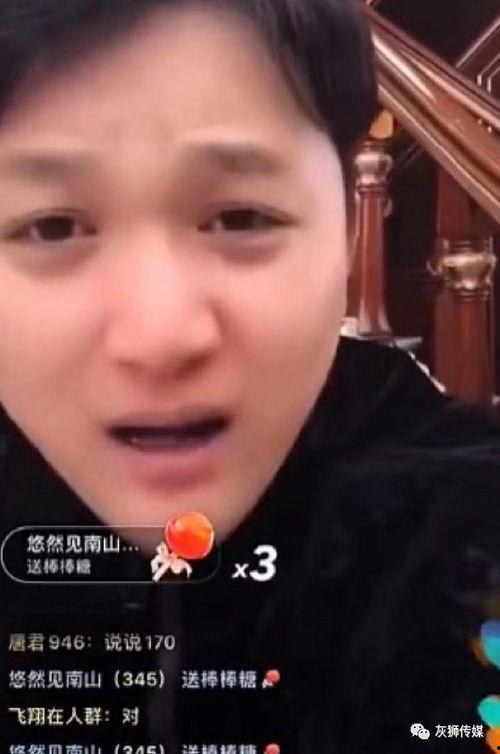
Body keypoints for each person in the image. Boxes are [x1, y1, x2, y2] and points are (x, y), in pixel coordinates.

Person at [0, 1, 499, 752]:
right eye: (53, 227)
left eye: (240, 219)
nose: (160, 338)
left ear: (349, 229)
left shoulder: (455, 525)